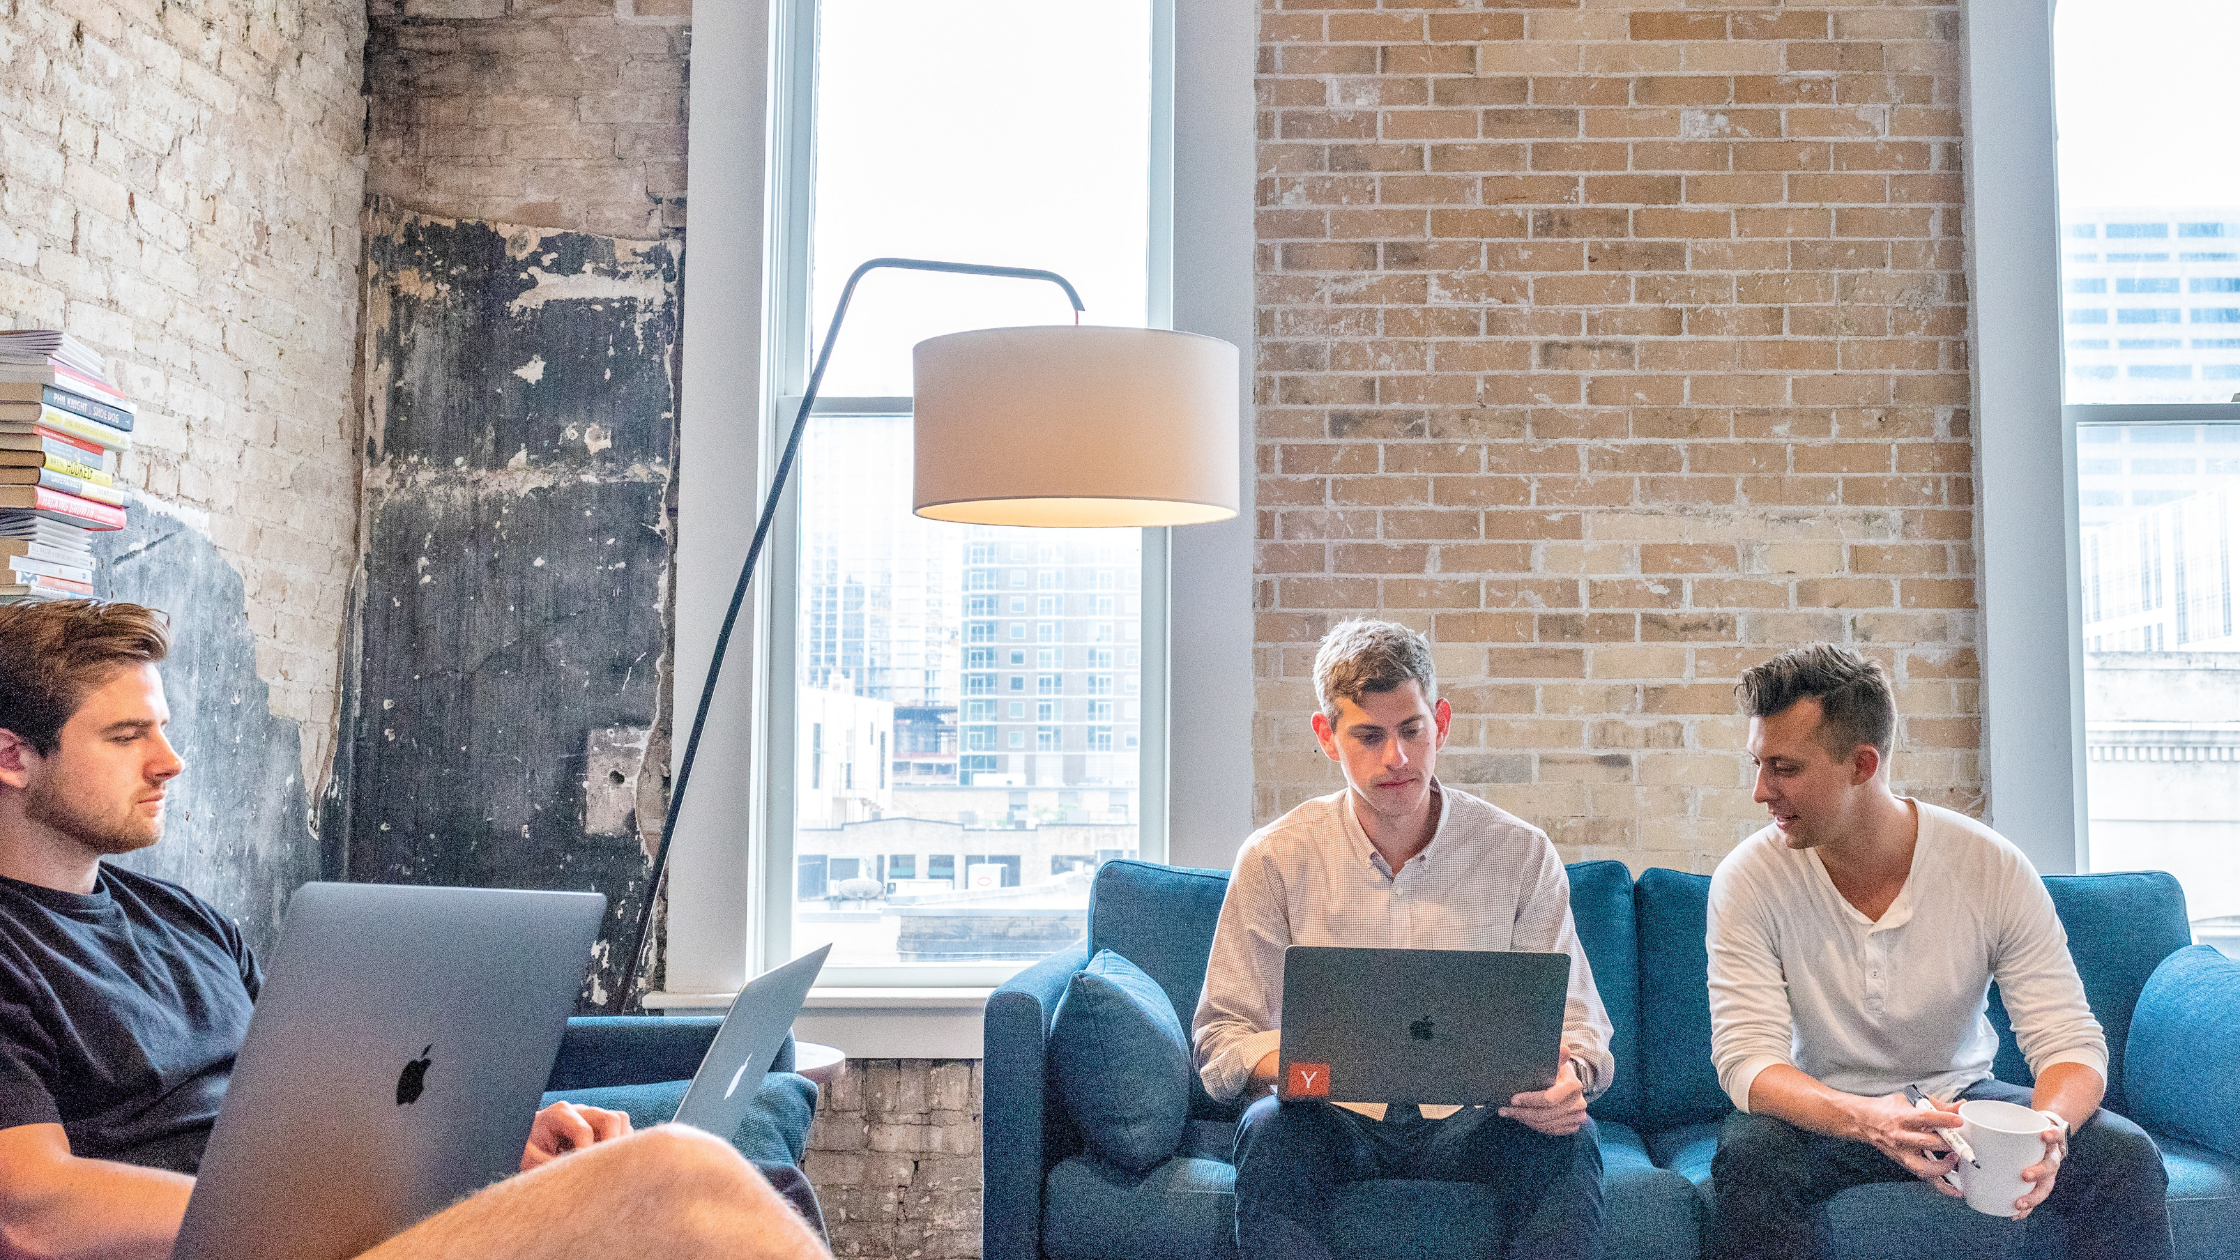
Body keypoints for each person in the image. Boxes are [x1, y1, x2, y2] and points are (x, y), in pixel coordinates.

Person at [0, 599, 831, 1260]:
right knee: (677, 1176)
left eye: (164, 727)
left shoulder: (185, 923)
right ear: (13, 757)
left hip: (337, 1227)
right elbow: (33, 1213)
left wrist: (494, 1151)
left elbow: (319, 1114)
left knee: (752, 1190)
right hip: (247, 1242)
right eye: (125, 736)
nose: (170, 760)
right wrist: (314, 1208)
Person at [1705, 643, 2171, 1260]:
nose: (1761, 791)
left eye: (1784, 768)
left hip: (1960, 1103)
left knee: (2122, 1153)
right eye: (1758, 764)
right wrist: (1868, 1118)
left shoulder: (1990, 866)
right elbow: (1747, 1062)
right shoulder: (1748, 878)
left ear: (1862, 765)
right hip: (1825, 1110)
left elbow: (2068, 1040)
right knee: (1749, 1157)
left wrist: (2049, 1129)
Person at [1193, 618, 1613, 1260]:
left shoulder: (1520, 853)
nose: (1398, 758)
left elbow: (1581, 1029)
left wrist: (1568, 1079)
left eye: (1412, 730)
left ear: (1440, 721)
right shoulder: (1275, 858)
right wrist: (1314, 1066)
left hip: (1480, 1117)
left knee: (1570, 1140)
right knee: (1270, 1126)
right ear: (1326, 737)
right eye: (1369, 736)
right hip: (1329, 1114)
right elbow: (1221, 1042)